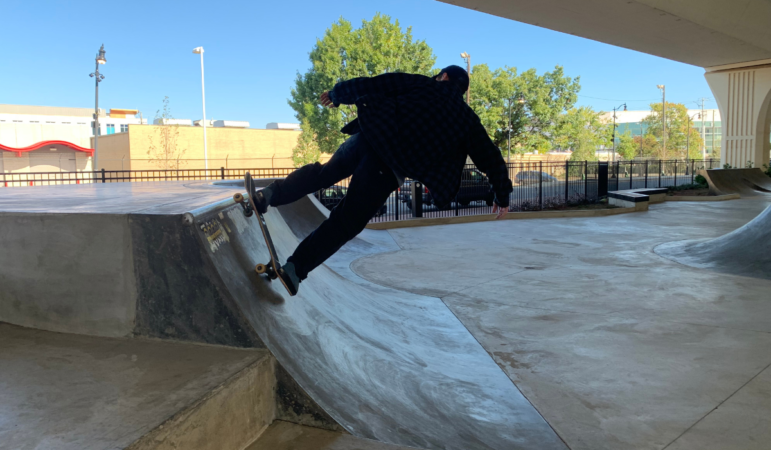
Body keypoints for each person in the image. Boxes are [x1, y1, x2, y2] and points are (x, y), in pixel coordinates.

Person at [254, 65, 513, 295]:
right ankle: (295, 269)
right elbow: (492, 159)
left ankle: (269, 195)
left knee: (322, 174)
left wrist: (337, 95)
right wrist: (502, 196)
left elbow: (377, 83)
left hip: (366, 139)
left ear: (443, 76)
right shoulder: (468, 121)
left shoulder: (421, 83)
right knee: (347, 221)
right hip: (387, 170)